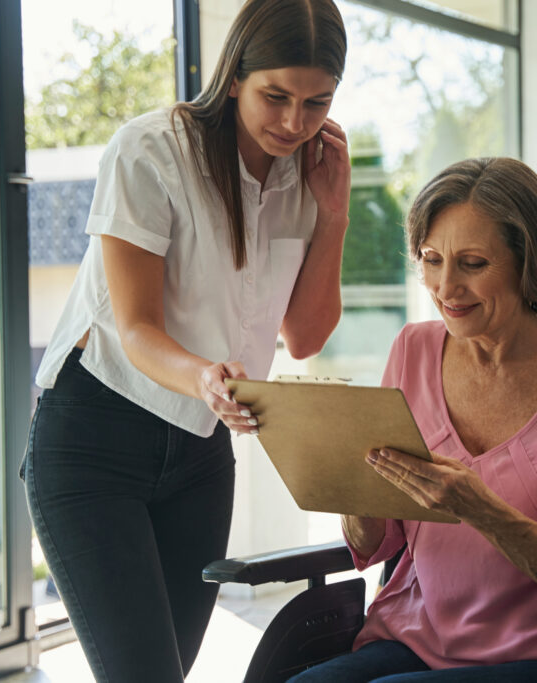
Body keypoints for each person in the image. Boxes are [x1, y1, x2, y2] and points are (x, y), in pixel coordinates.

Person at [20, 1, 349, 680]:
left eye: (317, 102)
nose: (294, 121)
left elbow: (306, 334)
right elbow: (136, 330)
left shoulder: (306, 175)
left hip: (200, 453)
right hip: (94, 439)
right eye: (276, 96)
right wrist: (203, 375)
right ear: (235, 77)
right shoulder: (151, 149)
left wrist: (334, 210)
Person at [289, 158, 537, 683]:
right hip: (415, 638)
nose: (445, 287)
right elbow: (377, 542)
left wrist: (478, 507)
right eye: (432, 259)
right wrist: (346, 481)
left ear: (528, 263)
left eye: (473, 263)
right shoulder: (413, 349)